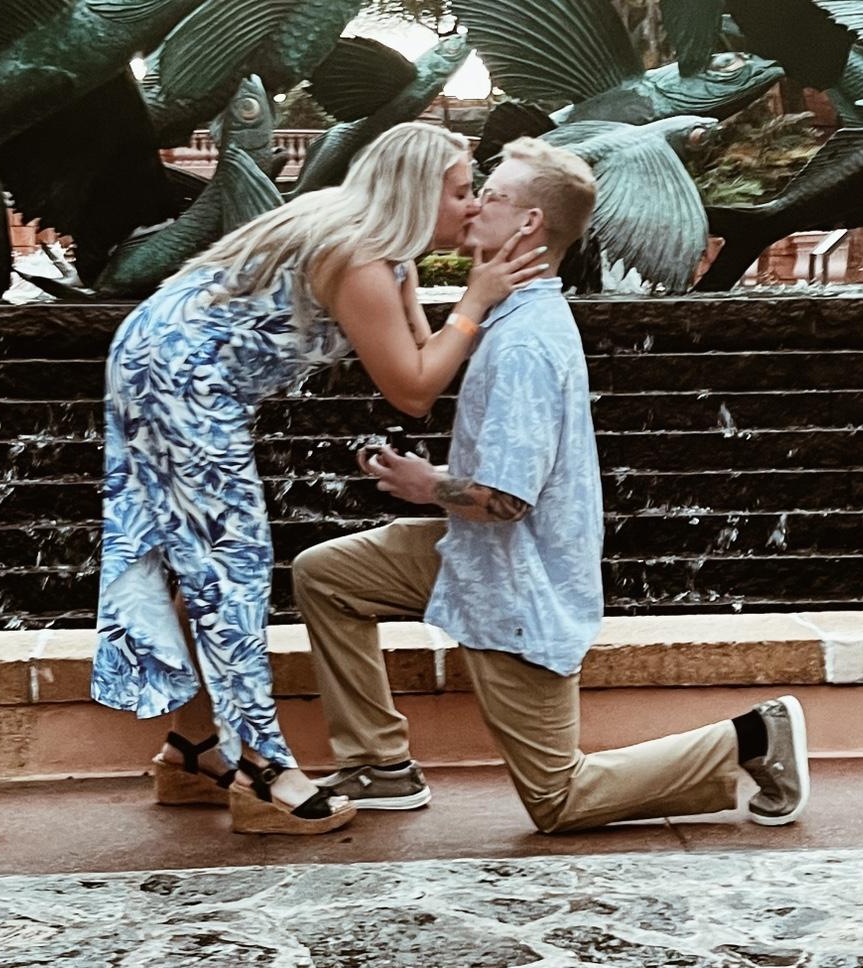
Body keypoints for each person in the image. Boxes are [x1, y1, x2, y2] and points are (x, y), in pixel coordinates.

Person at [293, 137, 811, 832]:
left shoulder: (526, 343)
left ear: (530, 224)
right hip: (472, 555)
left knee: (558, 798)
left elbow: (507, 502)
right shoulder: (506, 316)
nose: (476, 204)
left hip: (518, 584)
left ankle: (755, 737)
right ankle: (380, 766)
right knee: (327, 575)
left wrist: (428, 487)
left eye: (493, 195)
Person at [90, 122, 548, 835]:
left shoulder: (390, 255)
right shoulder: (360, 257)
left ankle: (194, 752)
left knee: (202, 570)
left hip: (159, 357)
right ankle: (263, 776)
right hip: (178, 377)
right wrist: (477, 301)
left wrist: (488, 307)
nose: (469, 205)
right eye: (460, 192)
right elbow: (413, 391)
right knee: (230, 569)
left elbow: (425, 350)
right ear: (415, 191)